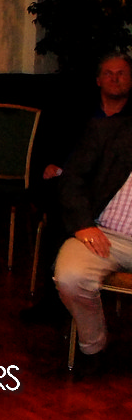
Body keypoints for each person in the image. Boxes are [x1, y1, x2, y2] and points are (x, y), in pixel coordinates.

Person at [23, 52, 132, 325]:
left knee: (68, 213)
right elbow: (59, 151)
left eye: (121, 74)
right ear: (98, 80)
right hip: (73, 183)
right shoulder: (79, 111)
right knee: (60, 212)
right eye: (109, 73)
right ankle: (56, 300)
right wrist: (52, 165)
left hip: (111, 197)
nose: (115, 79)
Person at [54, 111, 132, 378]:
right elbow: (71, 180)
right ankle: (93, 346)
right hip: (104, 234)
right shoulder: (108, 130)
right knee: (71, 276)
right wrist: (83, 224)